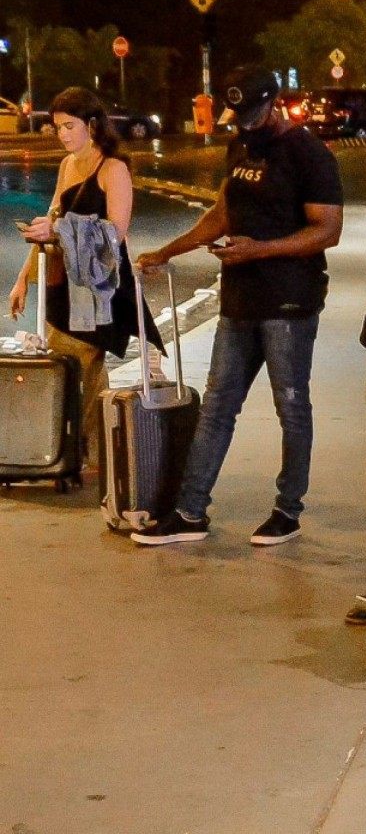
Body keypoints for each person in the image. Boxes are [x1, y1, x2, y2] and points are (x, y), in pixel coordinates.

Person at [131, 65, 343, 547]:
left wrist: (258, 249)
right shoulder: (239, 145)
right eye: (238, 114)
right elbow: (224, 211)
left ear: (275, 102)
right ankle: (189, 513)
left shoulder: (308, 154)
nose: (244, 122)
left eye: (252, 112)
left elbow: (326, 230)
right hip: (240, 297)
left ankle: (287, 511)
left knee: (291, 406)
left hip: (288, 300)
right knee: (218, 405)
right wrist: (169, 250)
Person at [9, 86, 163, 462]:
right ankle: (84, 452)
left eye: (68, 126)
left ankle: (85, 453)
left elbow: (115, 232)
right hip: (66, 281)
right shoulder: (67, 166)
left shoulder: (114, 168)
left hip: (100, 288)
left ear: (92, 125)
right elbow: (52, 220)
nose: (61, 134)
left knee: (82, 365)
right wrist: (23, 278)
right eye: (57, 127)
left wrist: (57, 231)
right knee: (72, 369)